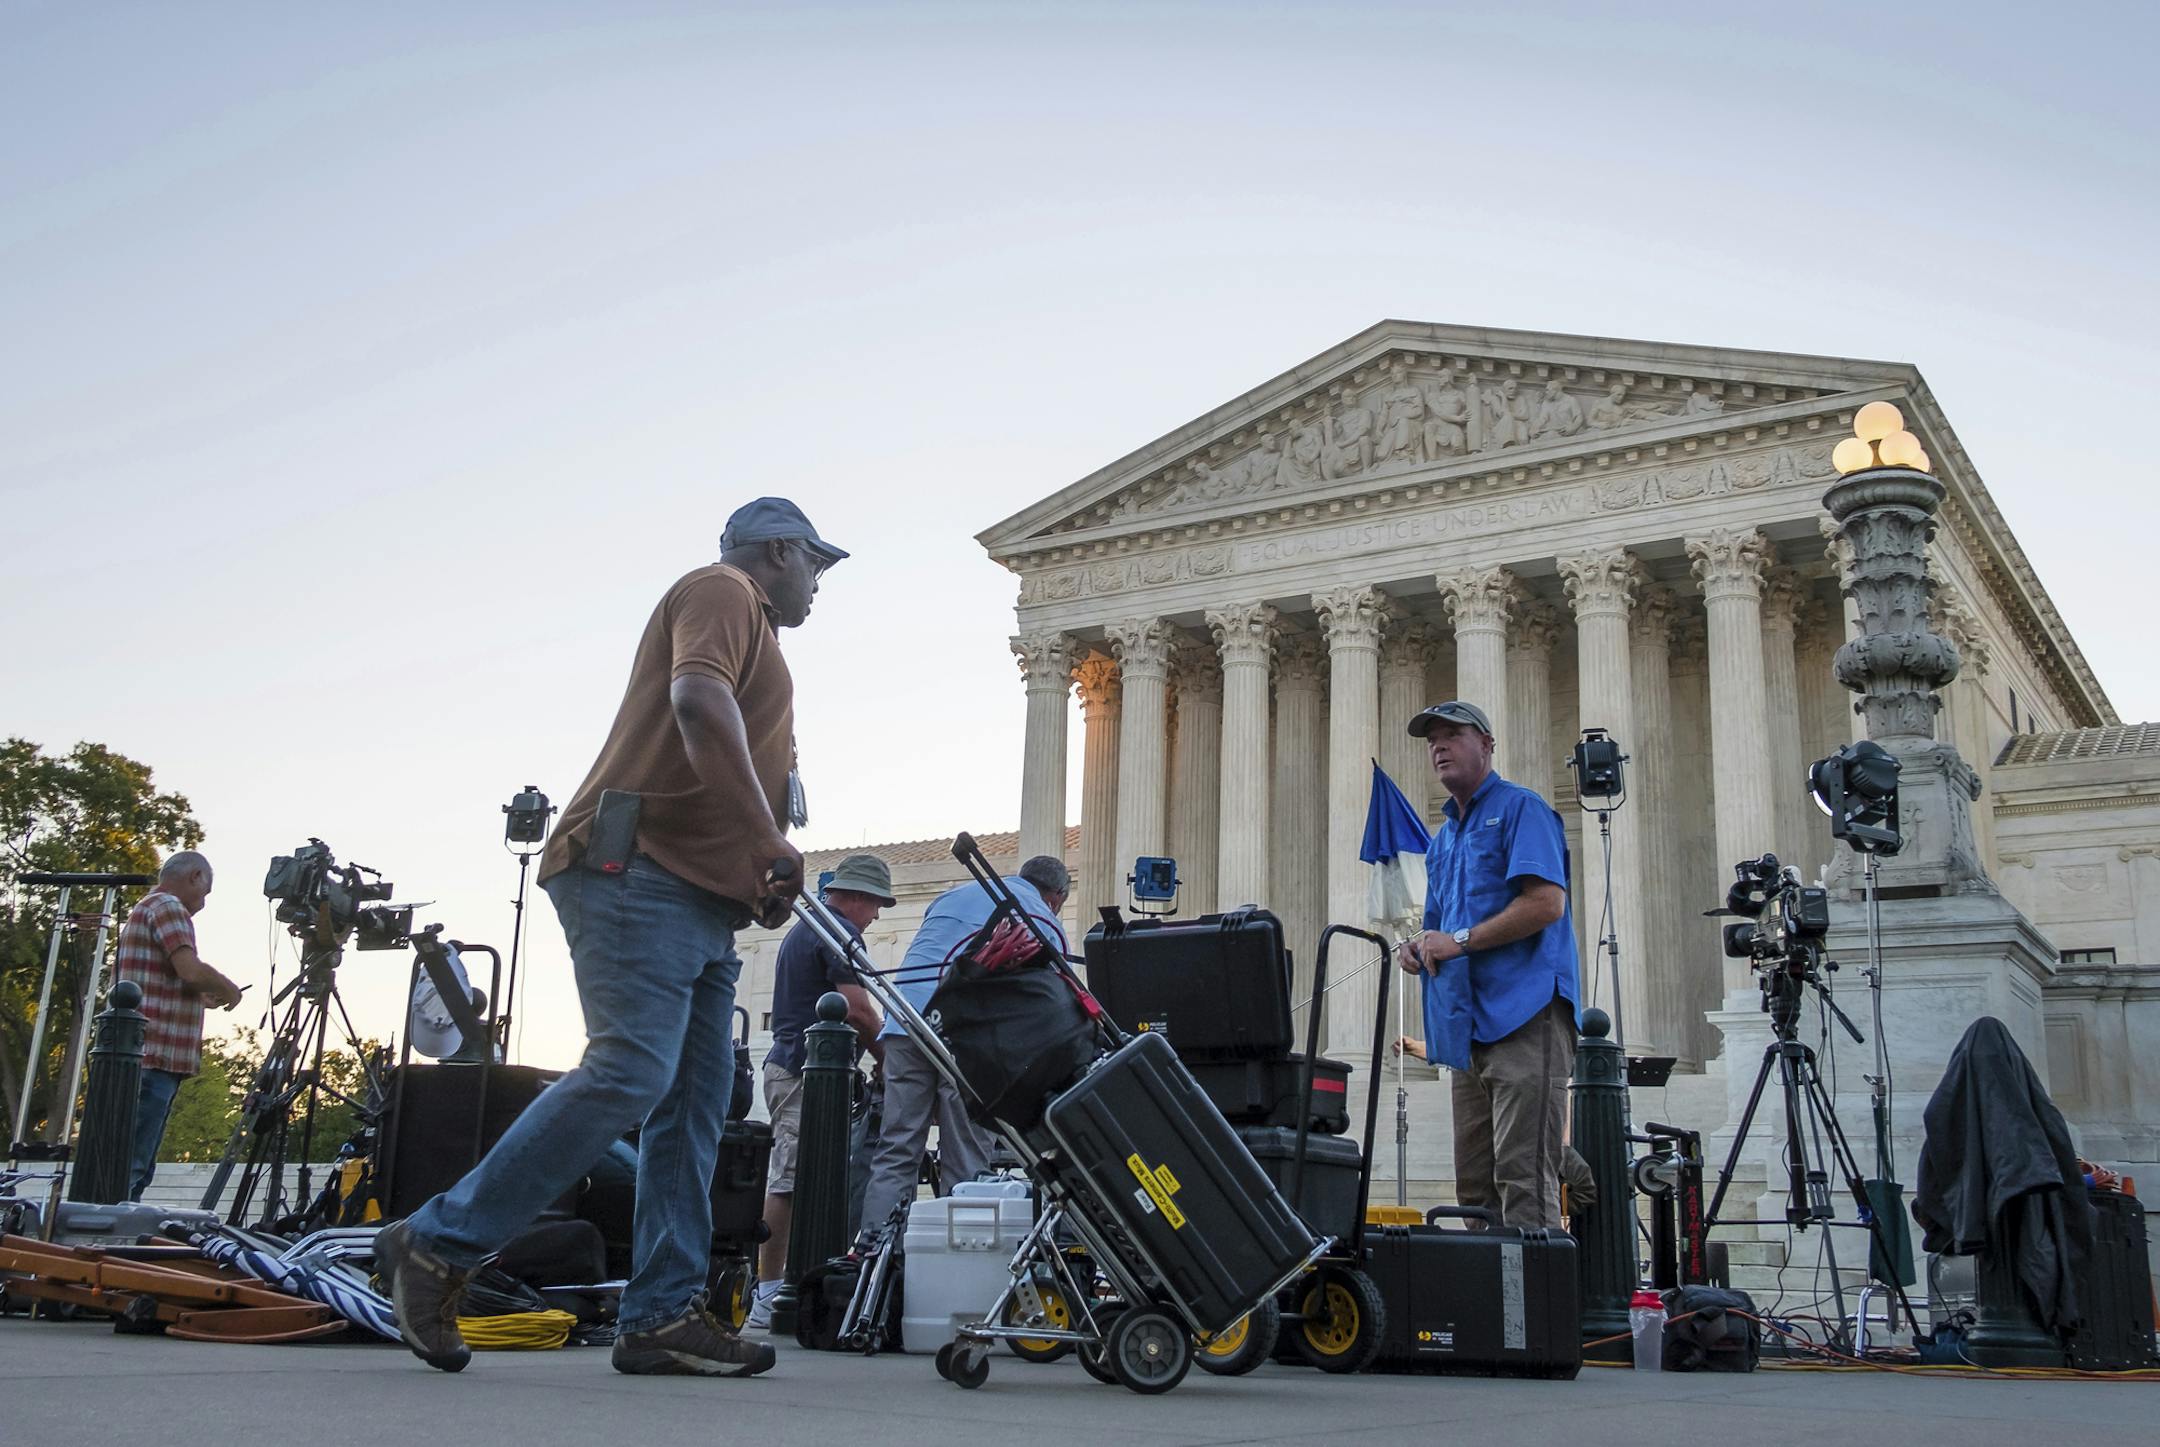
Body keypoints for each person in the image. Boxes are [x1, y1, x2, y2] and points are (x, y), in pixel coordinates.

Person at [376, 496, 843, 1379]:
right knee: (631, 1067)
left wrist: (756, 876)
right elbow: (698, 703)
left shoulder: (760, 633)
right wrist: (762, 842)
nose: (819, 586)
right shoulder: (724, 589)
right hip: (637, 873)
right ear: (780, 551)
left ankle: (662, 1312)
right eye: (816, 565)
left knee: (696, 1103)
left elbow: (715, 759)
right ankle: (436, 1244)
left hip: (700, 898)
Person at [1397, 700, 1580, 1229]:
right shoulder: (1444, 837)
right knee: (1474, 1189)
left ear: (1487, 745)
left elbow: (1547, 903)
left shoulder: (1522, 808)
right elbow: (1437, 929)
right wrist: (1417, 948)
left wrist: (1457, 940)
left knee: (1524, 1182)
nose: (1439, 747)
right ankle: (1494, 1309)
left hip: (1525, 1015)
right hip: (1466, 1029)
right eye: (1433, 739)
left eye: (1453, 735)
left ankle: (1538, 1310)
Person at [857, 855, 1070, 1230]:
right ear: (1056, 897)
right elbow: (1046, 999)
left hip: (904, 1022)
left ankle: (877, 1252)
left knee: (896, 1150)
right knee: (967, 1160)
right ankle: (957, 1259)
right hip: (964, 1038)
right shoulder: (1041, 917)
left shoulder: (954, 895)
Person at [744, 852, 891, 1330]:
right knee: (788, 1177)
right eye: (875, 905)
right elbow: (858, 1010)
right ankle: (769, 1292)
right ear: (855, 898)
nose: (876, 916)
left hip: (795, 1066)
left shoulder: (810, 928)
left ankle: (788, 1284)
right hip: (801, 1071)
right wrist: (890, 1059)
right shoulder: (836, 933)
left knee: (804, 1176)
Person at [114, 850, 242, 1201]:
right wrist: (227, 987)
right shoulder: (169, 906)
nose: (202, 903)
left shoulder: (146, 909)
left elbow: (159, 979)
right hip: (154, 1056)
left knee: (134, 1160)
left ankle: (115, 1222)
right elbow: (189, 968)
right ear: (195, 876)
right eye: (205, 893)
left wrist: (198, 999)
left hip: (146, 1054)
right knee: (132, 1165)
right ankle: (108, 1232)